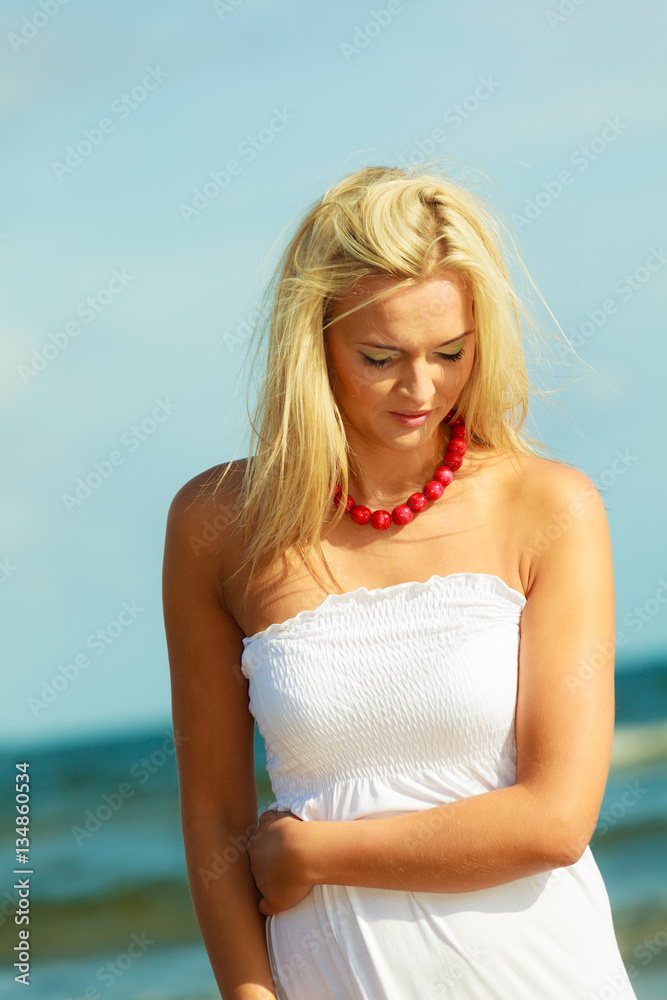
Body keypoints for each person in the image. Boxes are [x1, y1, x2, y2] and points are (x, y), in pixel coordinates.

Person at [162, 164, 638, 999]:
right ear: (313, 342)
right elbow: (215, 819)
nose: (421, 389)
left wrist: (316, 852)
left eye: (449, 352)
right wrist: (247, 992)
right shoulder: (216, 525)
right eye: (379, 356)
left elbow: (555, 821)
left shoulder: (548, 506)